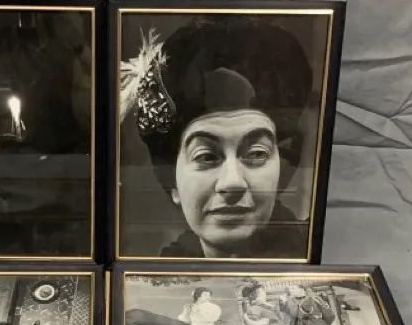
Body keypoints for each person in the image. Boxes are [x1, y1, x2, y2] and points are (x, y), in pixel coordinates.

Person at [119, 17, 314, 259]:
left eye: (256, 154)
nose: (232, 183)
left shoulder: (309, 260)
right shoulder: (156, 275)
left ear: (281, 169)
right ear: (173, 184)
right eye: (207, 157)